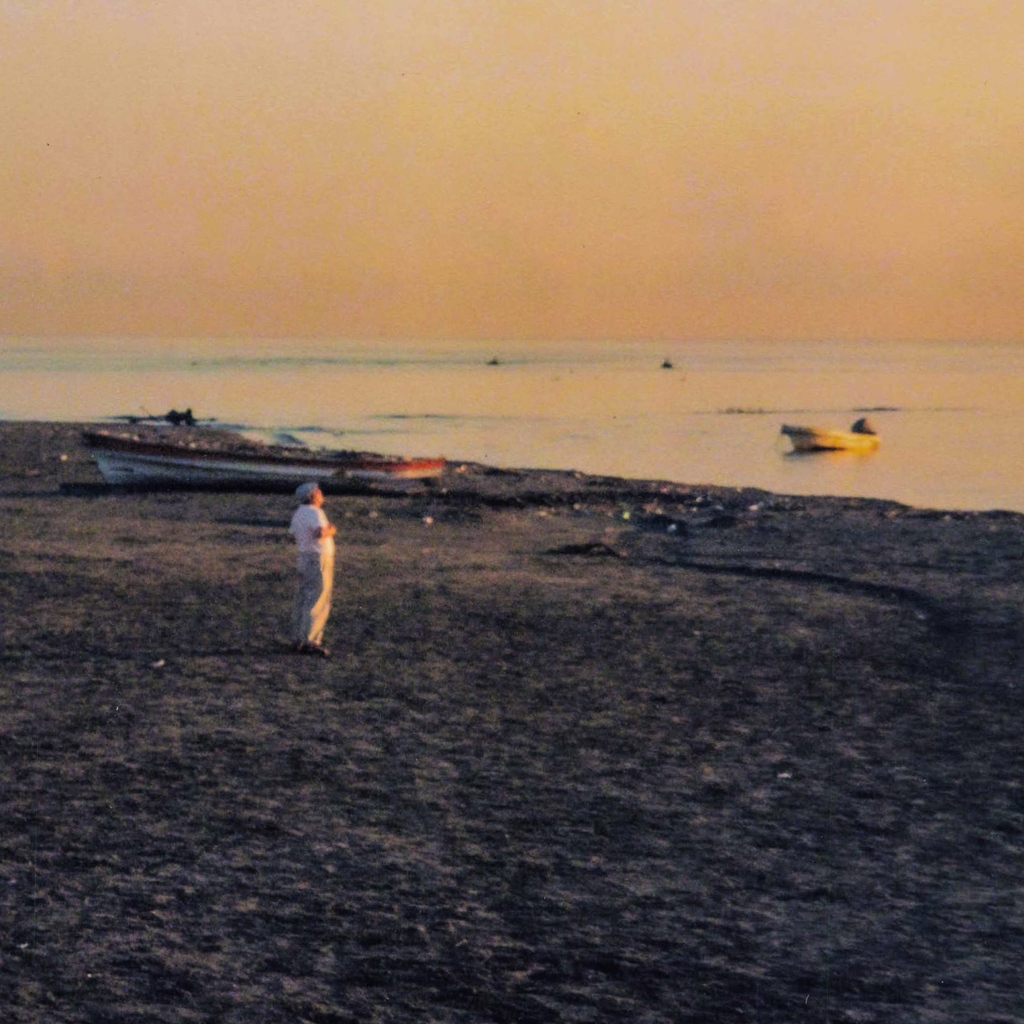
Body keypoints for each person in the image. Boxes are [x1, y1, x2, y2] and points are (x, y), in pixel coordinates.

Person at [288, 482, 337, 657]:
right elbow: (319, 533)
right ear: (313, 496)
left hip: (304, 556)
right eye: (318, 491)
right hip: (318, 558)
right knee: (318, 599)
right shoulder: (315, 512)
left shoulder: (299, 513)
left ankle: (297, 638)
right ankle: (311, 640)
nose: (321, 494)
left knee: (302, 598)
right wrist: (331, 529)